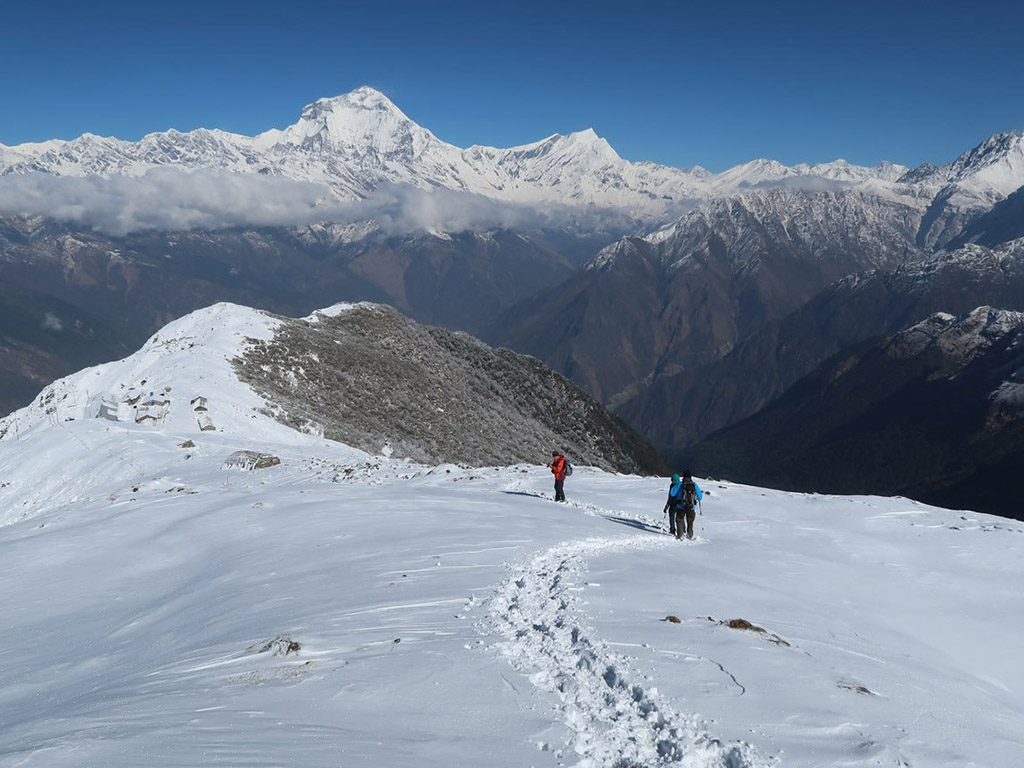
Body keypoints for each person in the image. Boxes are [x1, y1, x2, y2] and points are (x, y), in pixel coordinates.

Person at [663, 469, 703, 540]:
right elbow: (700, 497)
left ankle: (680, 535)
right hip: (691, 507)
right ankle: (689, 535)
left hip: (680, 506)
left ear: (683, 476)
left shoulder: (680, 485)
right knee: (690, 521)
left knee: (679, 520)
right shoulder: (694, 485)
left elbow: (672, 493)